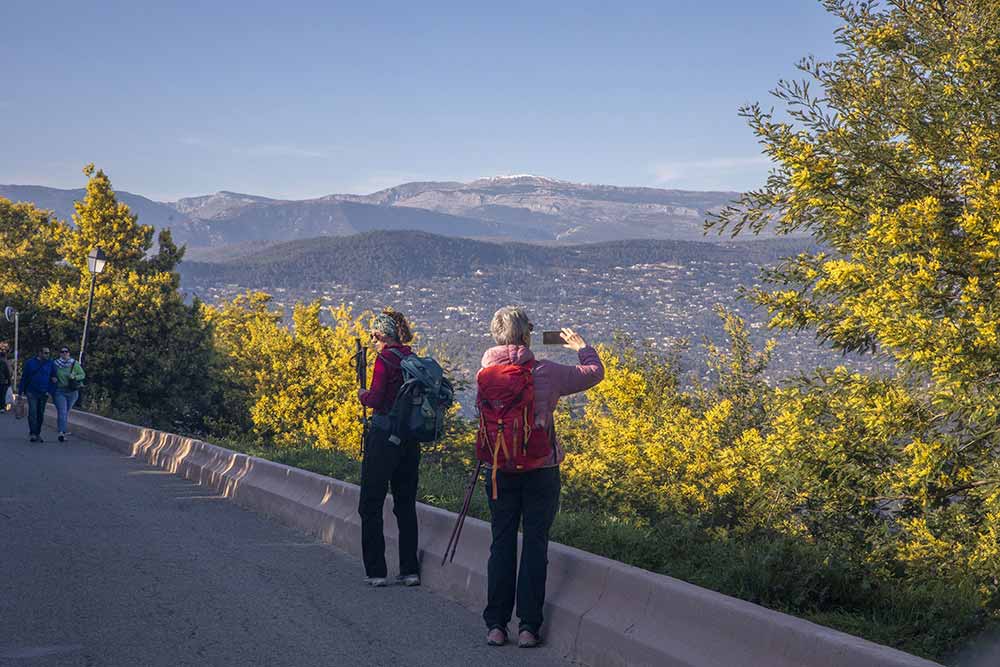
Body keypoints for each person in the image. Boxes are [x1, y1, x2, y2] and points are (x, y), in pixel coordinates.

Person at [479, 306, 604, 648]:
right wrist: (581, 346)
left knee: (501, 543)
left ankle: (496, 625)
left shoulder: (485, 372)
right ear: (526, 335)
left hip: (498, 471)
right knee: (535, 545)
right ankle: (528, 628)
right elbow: (593, 373)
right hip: (541, 470)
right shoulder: (546, 371)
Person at [356, 308, 422, 588]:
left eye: (374, 334)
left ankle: (377, 571)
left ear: (383, 334)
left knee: (371, 502)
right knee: (405, 504)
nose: (373, 340)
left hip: (384, 436)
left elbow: (376, 398)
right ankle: (409, 570)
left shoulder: (385, 359)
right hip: (410, 438)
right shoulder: (412, 358)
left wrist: (362, 395)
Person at [18, 346, 55, 443]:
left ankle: (38, 433)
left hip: (44, 392)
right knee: (33, 412)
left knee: (40, 414)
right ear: (39, 353)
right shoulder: (30, 363)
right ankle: (33, 433)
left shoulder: (50, 363)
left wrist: (50, 391)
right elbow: (24, 377)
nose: (47, 355)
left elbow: (54, 378)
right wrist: (20, 392)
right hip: (31, 391)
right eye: (45, 353)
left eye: (48, 353)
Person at [51, 346, 85, 442]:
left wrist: (74, 376)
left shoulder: (74, 363)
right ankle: (61, 432)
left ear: (69, 353)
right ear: (60, 354)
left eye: (66, 352)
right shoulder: (55, 364)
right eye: (62, 352)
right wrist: (52, 379)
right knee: (62, 411)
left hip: (72, 391)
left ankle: (63, 429)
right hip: (59, 391)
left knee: (66, 411)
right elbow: (50, 374)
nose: (64, 353)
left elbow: (82, 374)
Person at [0, 348, 12, 413]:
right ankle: (2, 407)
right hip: (2, 381)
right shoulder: (4, 362)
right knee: (2, 394)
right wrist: (9, 381)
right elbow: (7, 373)